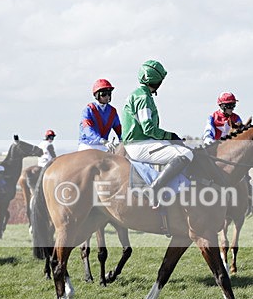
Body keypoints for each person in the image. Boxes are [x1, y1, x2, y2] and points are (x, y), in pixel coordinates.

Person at [120, 59, 193, 207]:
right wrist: (170, 136)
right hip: (138, 145)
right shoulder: (143, 97)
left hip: (140, 142)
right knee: (186, 154)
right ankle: (153, 189)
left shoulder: (140, 94)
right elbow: (148, 128)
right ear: (156, 81)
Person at [78, 79, 122, 151]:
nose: (107, 96)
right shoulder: (88, 110)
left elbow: (119, 130)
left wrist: (123, 140)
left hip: (104, 146)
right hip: (87, 145)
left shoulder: (113, 111)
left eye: (109, 94)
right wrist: (102, 141)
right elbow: (88, 130)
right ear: (97, 95)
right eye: (104, 94)